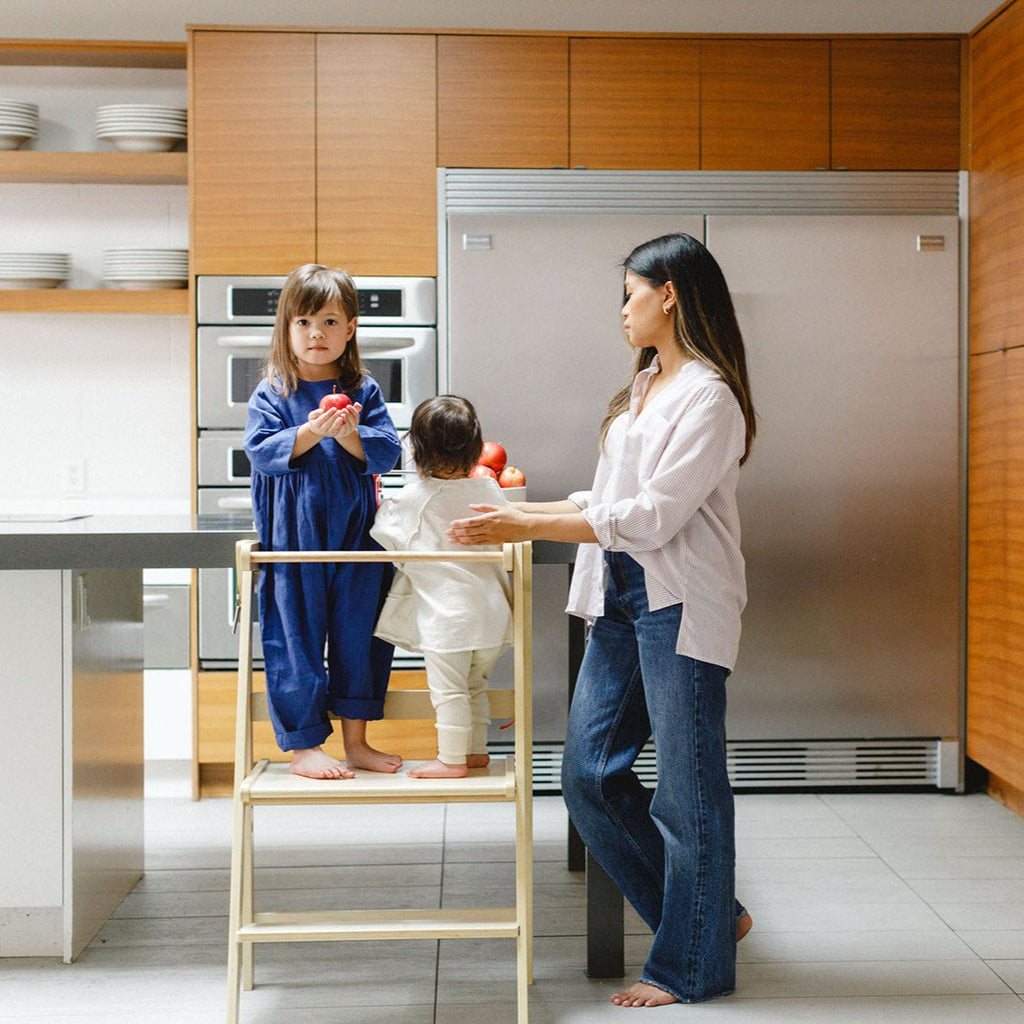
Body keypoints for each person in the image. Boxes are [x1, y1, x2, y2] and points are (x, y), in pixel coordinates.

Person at [447, 232, 756, 1006]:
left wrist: (527, 526)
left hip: (678, 601)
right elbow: (602, 502)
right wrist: (511, 515)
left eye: (630, 293)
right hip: (619, 596)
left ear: (670, 295)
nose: (622, 310)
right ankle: (709, 919)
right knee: (586, 776)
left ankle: (690, 965)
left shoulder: (709, 397)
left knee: (687, 795)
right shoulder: (646, 385)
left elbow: (651, 517)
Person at [244, 263, 403, 781]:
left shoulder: (364, 390)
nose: (317, 334)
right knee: (296, 638)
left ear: (351, 327)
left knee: (362, 635)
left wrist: (348, 433)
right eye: (305, 322)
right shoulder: (272, 391)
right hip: (293, 542)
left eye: (331, 322)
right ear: (286, 328)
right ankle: (305, 746)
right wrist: (312, 433)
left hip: (359, 538)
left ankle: (357, 741)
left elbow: (385, 453)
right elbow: (262, 452)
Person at [370, 395, 513, 779]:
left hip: (448, 619)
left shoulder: (412, 501)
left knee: (449, 692)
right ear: (474, 449)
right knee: (475, 686)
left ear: (415, 452)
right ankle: (476, 752)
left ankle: (451, 760)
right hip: (493, 615)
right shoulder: (489, 493)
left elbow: (386, 537)